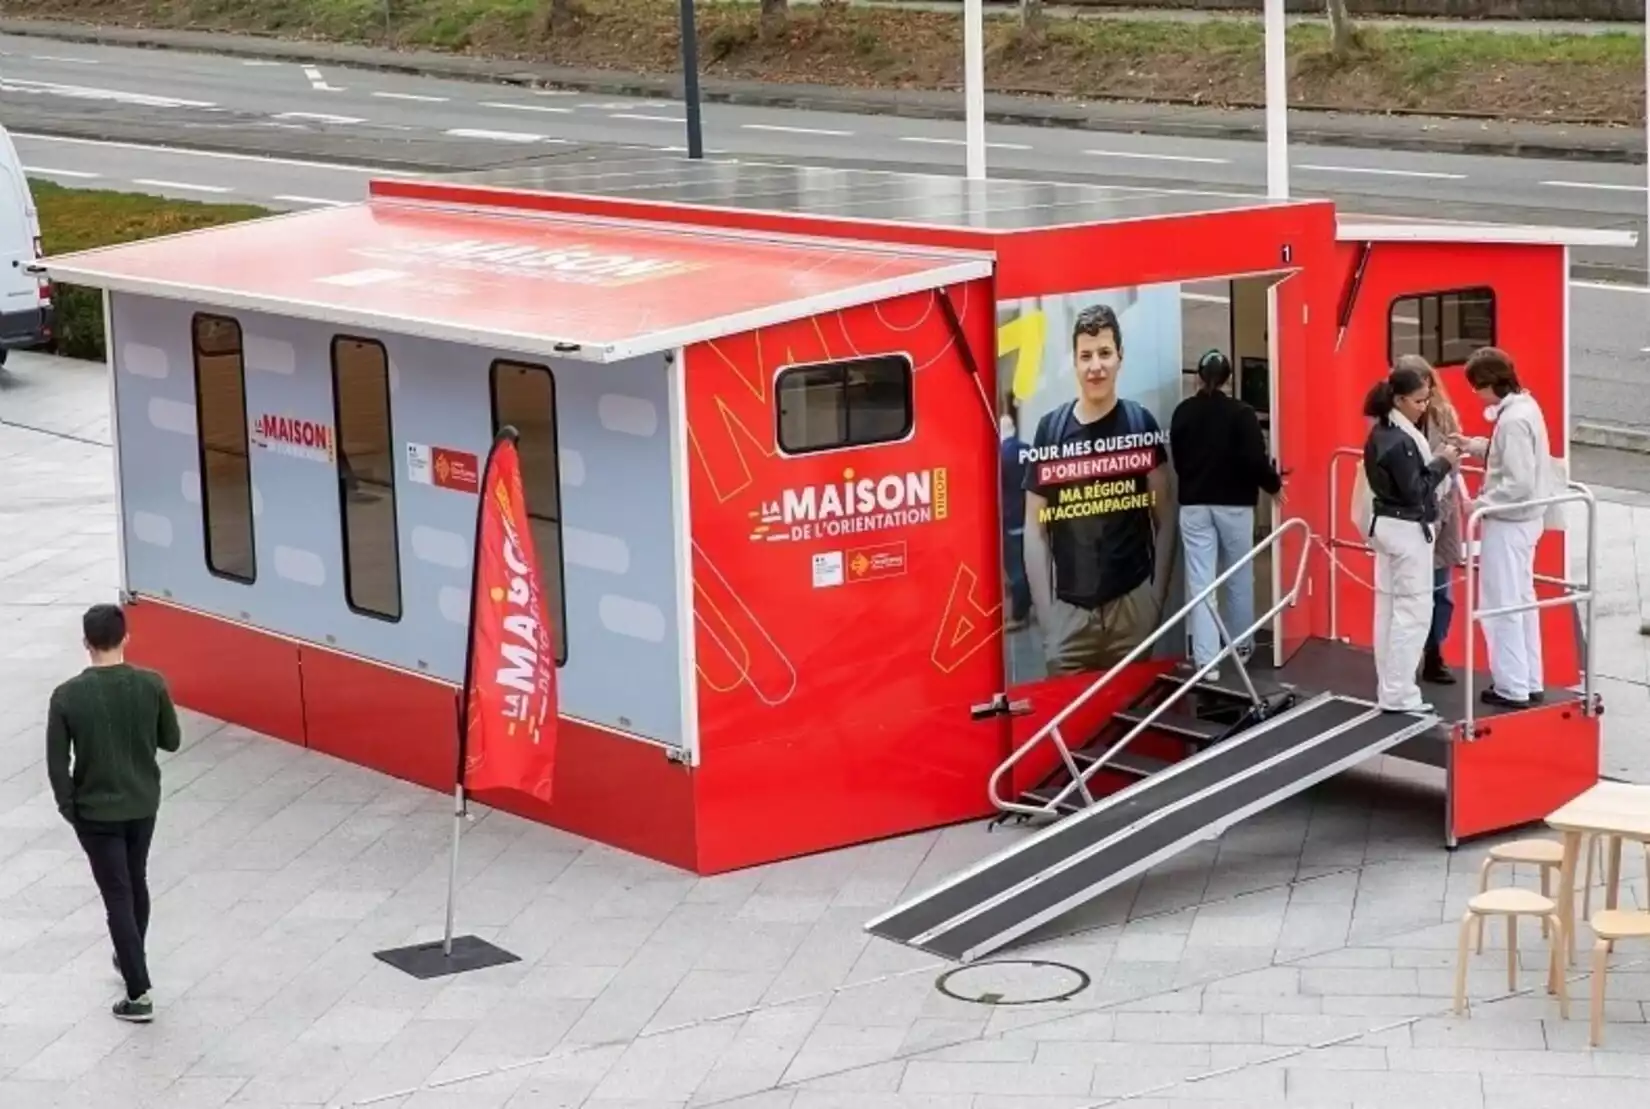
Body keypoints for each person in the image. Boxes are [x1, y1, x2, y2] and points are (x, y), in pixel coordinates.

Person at [1024, 304, 1176, 676]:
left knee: (1133, 717)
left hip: (1132, 612)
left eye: (1105, 353)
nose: (1096, 366)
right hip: (1070, 620)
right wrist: (1048, 620)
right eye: (1086, 356)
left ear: (1119, 357)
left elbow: (1166, 516)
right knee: (1073, 728)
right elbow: (1034, 529)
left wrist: (1154, 602)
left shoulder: (1140, 424)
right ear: (1074, 362)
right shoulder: (1052, 431)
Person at [46, 603, 181, 1023]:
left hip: (95, 812)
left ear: (86, 643)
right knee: (135, 881)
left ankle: (138, 993)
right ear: (126, 637)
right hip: (142, 804)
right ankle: (130, 958)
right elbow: (171, 740)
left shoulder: (67, 696)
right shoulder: (151, 684)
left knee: (117, 894)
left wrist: (71, 808)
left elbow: (56, 763)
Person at [1169, 349, 1284, 678]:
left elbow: (1179, 461)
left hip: (1194, 506)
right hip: (1235, 505)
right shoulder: (1241, 413)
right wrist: (1274, 485)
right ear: (1228, 380)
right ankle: (1241, 646)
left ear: (1197, 377)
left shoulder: (1183, 413)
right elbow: (1254, 460)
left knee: (1201, 582)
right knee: (1238, 576)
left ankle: (1207, 662)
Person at [1453, 347, 1556, 708]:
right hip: (1529, 522)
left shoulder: (1511, 421)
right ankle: (1530, 679)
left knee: (1500, 604)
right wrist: (1473, 445)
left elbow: (1517, 482)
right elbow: (1512, 458)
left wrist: (1478, 505)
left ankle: (1511, 687)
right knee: (1523, 600)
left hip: (1508, 523)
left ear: (1488, 384)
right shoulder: (1526, 407)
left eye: (1476, 388)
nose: (1476, 395)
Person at [1361, 366, 1461, 713]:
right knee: (1413, 613)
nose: (1425, 405)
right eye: (1419, 400)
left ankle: (1388, 686)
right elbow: (1416, 490)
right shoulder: (1401, 442)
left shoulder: (1380, 433)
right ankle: (1400, 692)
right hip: (1407, 532)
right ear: (1400, 399)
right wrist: (1444, 462)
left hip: (1386, 529)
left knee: (1387, 610)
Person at [1408, 355, 1466, 686]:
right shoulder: (1391, 421)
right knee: (1408, 592)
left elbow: (1451, 467)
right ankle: (1409, 657)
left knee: (1439, 590)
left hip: (1438, 512)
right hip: (1408, 516)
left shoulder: (1443, 415)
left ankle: (1434, 652)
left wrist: (1439, 516)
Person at [1000, 404, 1033, 632]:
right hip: (1030, 516)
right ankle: (1030, 606)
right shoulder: (1028, 450)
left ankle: (1019, 615)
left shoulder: (1000, 456)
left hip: (1011, 518)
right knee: (1030, 564)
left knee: (1016, 569)